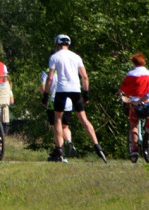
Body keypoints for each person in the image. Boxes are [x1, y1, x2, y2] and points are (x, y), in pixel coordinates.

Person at [43, 34, 106, 163]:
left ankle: (59, 148)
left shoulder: (54, 57)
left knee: (58, 120)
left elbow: (49, 78)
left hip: (61, 89)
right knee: (84, 120)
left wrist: (45, 95)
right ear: (69, 44)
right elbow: (85, 76)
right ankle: (97, 146)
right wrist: (86, 93)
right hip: (75, 89)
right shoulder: (76, 57)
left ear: (57, 44)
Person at [118, 53, 149, 157]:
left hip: (135, 104)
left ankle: (134, 149)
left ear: (133, 62)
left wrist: (119, 94)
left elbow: (123, 89)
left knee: (133, 125)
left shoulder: (131, 74)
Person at [41, 66, 75, 161]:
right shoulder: (67, 70)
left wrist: (45, 96)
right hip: (68, 102)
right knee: (65, 127)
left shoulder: (47, 72)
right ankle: (69, 140)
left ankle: (61, 155)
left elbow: (43, 88)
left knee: (57, 128)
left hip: (53, 102)